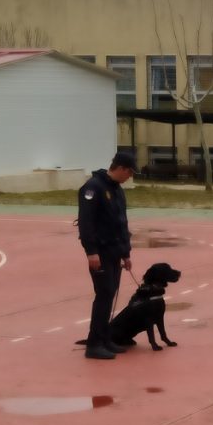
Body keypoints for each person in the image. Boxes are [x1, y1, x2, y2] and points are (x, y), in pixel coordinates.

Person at [78, 151, 135, 360]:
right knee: (104, 294)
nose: (129, 177)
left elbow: (122, 223)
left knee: (110, 294)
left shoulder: (117, 190)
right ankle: (93, 344)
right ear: (120, 168)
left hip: (114, 251)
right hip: (100, 252)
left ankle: (104, 338)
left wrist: (126, 253)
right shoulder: (93, 188)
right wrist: (91, 251)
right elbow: (86, 222)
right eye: (129, 172)